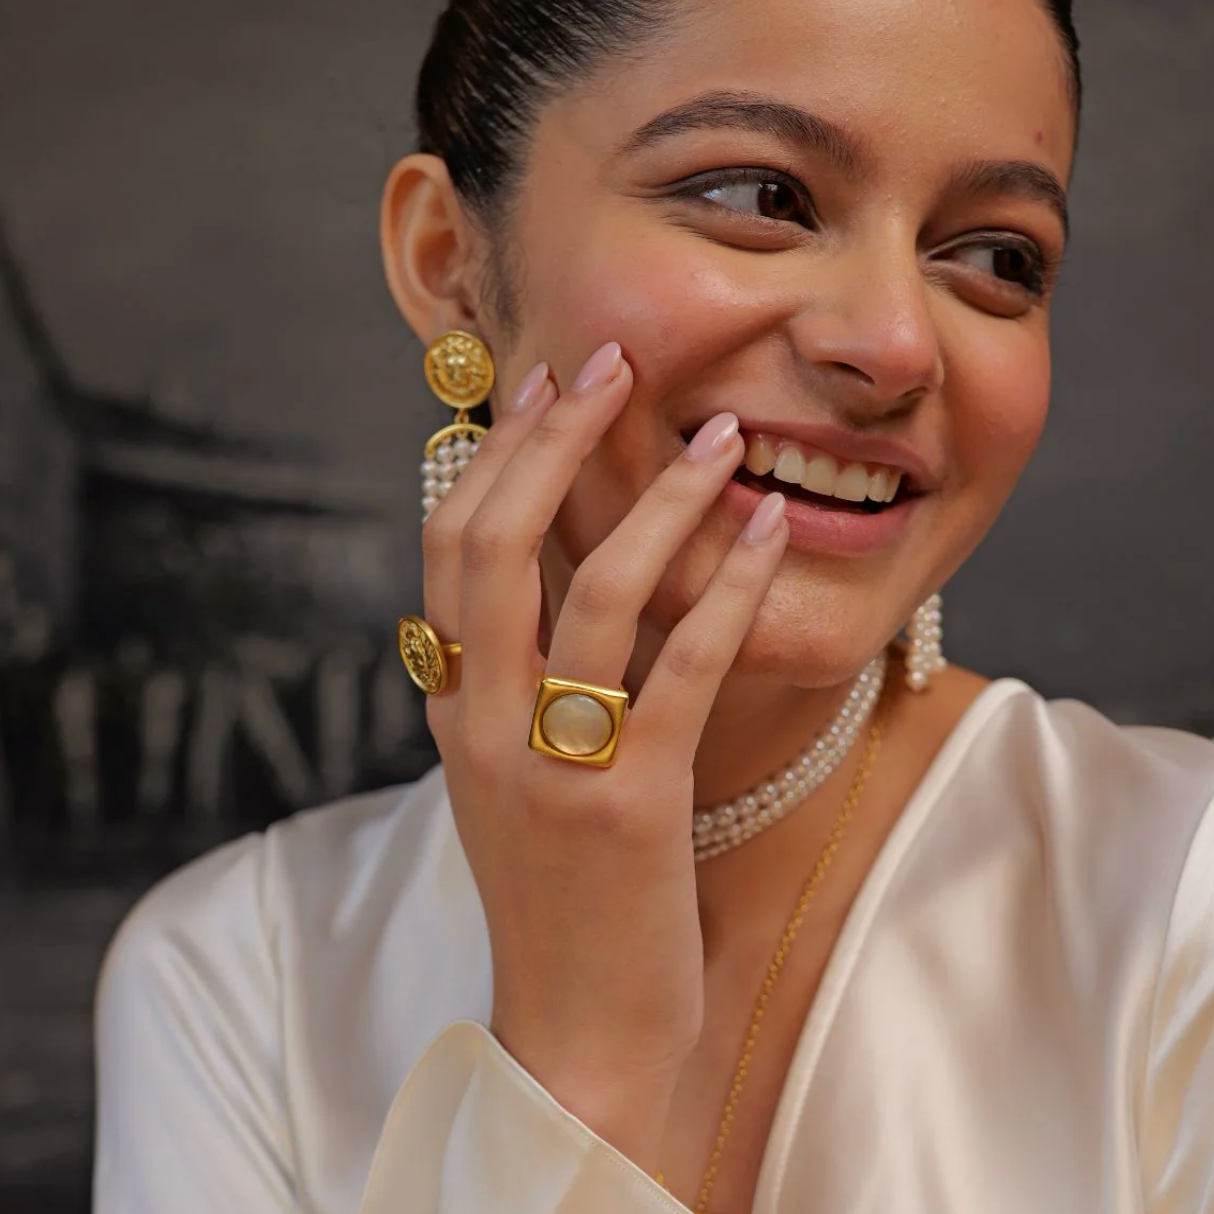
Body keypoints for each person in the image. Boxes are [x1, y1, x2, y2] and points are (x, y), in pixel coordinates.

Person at [92, 0, 1214, 1211]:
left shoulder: (1176, 908)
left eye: (997, 257)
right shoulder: (235, 980)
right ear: (449, 261)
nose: (893, 344)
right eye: (759, 197)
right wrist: (577, 1064)